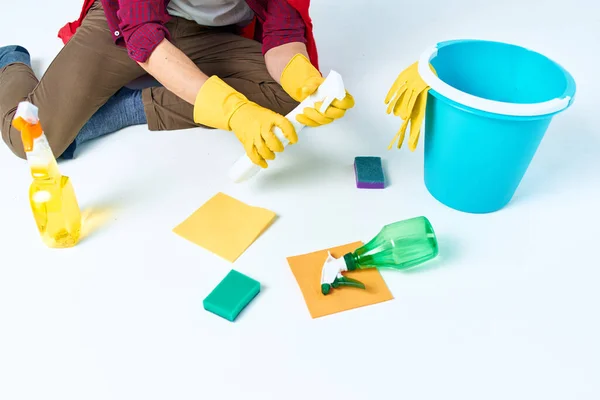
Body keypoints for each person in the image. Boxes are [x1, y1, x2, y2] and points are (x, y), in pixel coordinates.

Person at [0, 0, 354, 167]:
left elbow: (282, 31)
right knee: (30, 139)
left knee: (287, 98)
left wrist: (302, 78)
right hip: (126, 29)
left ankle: (130, 107)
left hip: (207, 36)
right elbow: (145, 41)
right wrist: (233, 112)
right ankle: (10, 62)